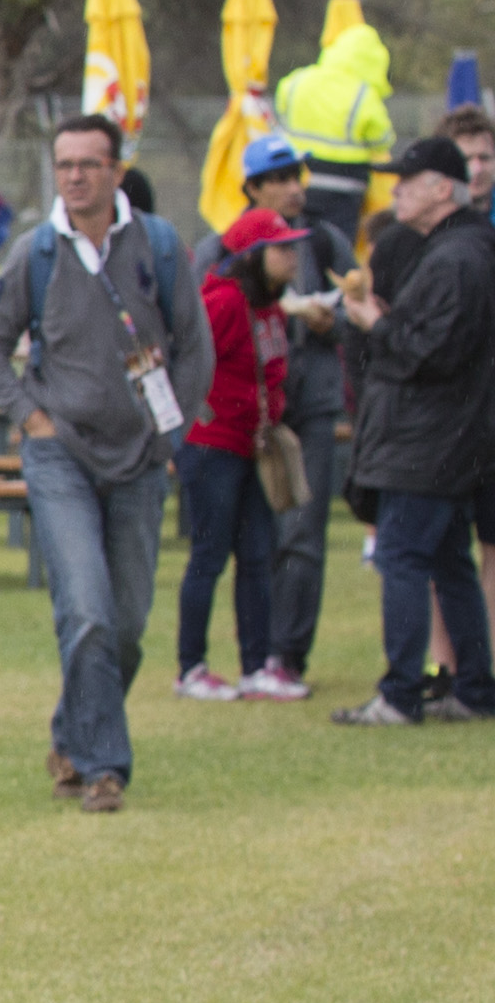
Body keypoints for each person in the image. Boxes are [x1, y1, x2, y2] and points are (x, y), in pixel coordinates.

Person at [0, 114, 211, 813]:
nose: (74, 176)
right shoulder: (35, 253)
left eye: (87, 164)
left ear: (116, 171)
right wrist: (32, 419)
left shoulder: (159, 246)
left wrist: (169, 435)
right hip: (60, 457)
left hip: (139, 455)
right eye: (64, 164)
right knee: (87, 611)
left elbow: (195, 349)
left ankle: (71, 736)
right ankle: (105, 769)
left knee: (125, 623)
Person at [330, 137, 495, 726]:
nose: (394, 189)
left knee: (400, 557)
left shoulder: (456, 259)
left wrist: (374, 323)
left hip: (428, 438)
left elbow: (433, 353)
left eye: (407, 179)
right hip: (451, 435)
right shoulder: (460, 249)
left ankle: (399, 694)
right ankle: (474, 689)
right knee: (449, 561)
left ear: (442, 188)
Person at [173, 210, 296, 702]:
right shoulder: (223, 302)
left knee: (257, 554)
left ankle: (256, 666)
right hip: (213, 446)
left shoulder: (271, 306)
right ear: (253, 256)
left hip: (252, 445)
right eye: (282, 248)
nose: (292, 257)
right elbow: (189, 364)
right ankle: (191, 668)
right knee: (209, 555)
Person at [250, 140, 351, 699]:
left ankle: (287, 654)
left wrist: (331, 324)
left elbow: (360, 308)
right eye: (280, 178)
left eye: (298, 177)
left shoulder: (325, 241)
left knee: (303, 529)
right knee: (256, 531)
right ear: (253, 188)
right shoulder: (230, 244)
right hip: (250, 407)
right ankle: (252, 652)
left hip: (310, 405)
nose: (294, 188)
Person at [273, 19, 396, 251]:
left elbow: (280, 109)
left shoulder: (297, 80)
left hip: (298, 178)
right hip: (345, 186)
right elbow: (382, 140)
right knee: (337, 249)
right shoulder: (363, 94)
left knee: (297, 246)